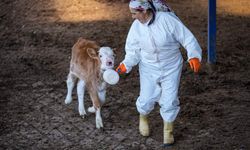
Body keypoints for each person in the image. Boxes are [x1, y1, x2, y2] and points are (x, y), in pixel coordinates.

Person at [116, 0, 202, 147]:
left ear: (144, 11)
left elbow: (187, 38)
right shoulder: (136, 27)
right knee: (146, 97)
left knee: (170, 98)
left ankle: (168, 131)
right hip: (148, 67)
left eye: (134, 13)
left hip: (171, 66)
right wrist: (126, 64)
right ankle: (143, 117)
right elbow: (133, 50)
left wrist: (193, 55)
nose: (132, 17)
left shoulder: (166, 20)